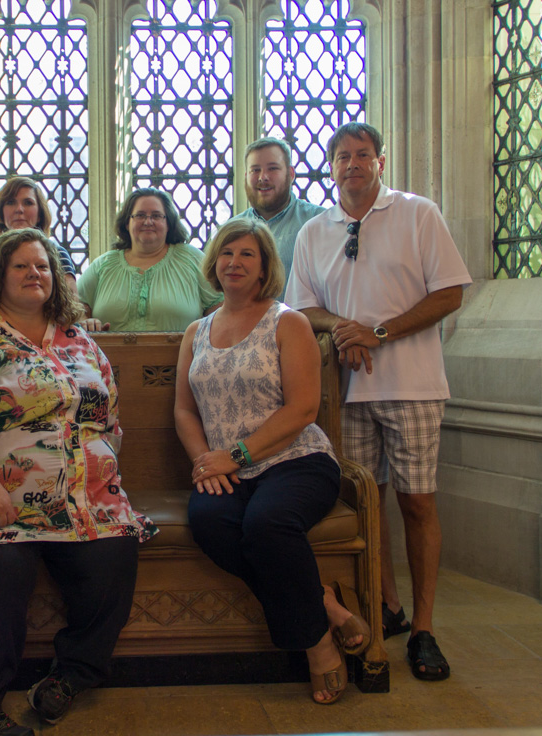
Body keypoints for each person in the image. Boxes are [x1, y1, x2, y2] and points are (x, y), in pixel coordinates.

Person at [0, 228, 158, 736]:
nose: (35, 274)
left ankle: (69, 678)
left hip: (80, 503)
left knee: (114, 555)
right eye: (21, 266)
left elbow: (107, 414)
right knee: (3, 570)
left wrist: (103, 471)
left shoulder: (79, 341)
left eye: (43, 266)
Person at [286, 122, 472, 682]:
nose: (352, 165)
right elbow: (301, 310)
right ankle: (386, 607)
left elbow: (451, 292)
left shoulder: (418, 214)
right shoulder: (316, 231)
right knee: (367, 504)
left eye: (362, 155)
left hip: (412, 385)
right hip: (346, 393)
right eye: (342, 157)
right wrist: (344, 327)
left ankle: (424, 629)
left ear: (380, 162)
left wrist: (380, 332)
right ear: (331, 166)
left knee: (416, 504)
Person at [175, 219, 371, 705]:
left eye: (247, 254)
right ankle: (323, 604)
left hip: (295, 460)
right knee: (209, 524)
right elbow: (183, 408)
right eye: (226, 253)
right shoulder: (196, 331)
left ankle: (316, 646)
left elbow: (304, 407)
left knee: (267, 525)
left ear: (264, 267)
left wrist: (235, 454)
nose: (234, 262)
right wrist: (205, 460)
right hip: (225, 470)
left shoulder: (288, 321)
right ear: (214, 264)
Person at [77, 188, 222, 331]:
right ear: (127, 223)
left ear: (168, 224)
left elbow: (221, 305)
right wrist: (84, 321)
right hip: (109, 354)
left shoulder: (192, 259)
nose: (148, 221)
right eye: (140, 215)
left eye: (157, 216)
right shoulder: (104, 264)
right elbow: (73, 304)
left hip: (181, 354)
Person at [229, 137, 325, 300]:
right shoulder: (230, 231)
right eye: (255, 170)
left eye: (272, 168)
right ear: (246, 176)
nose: (263, 177)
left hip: (305, 324)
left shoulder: (319, 222)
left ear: (291, 174)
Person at [0, 175, 79, 293]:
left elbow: (71, 304)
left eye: (28, 203)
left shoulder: (57, 254)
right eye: (11, 202)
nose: (19, 209)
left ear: (40, 214)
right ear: (1, 212)